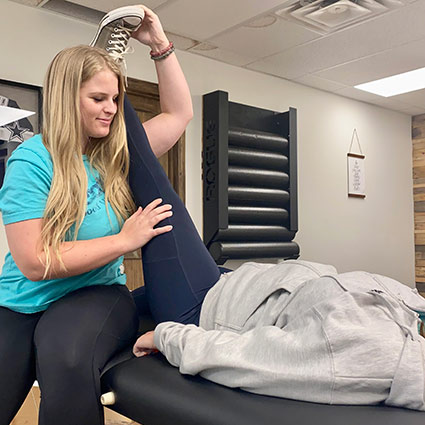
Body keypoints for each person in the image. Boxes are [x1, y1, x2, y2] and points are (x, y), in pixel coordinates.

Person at [0, 5, 221, 425]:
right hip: (21, 301)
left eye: (115, 99)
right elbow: (33, 261)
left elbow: (179, 115)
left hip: (96, 294)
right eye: (99, 98)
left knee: (63, 356)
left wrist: (160, 44)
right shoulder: (32, 161)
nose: (111, 109)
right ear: (68, 97)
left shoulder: (116, 155)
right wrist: (125, 239)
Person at [133, 259, 425, 411]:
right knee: (121, 302)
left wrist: (165, 336)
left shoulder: (381, 357)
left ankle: (119, 144)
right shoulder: (416, 312)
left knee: (157, 202)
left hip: (203, 307)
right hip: (237, 283)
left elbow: (248, 358)